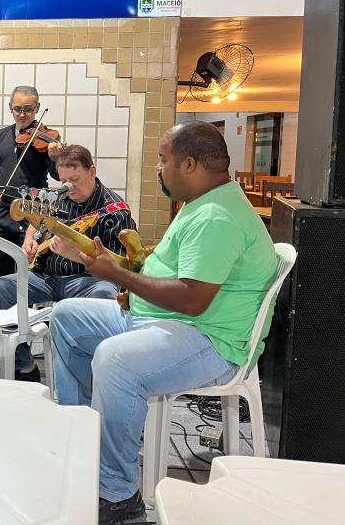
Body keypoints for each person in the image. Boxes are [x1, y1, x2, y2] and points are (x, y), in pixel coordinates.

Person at [48, 121, 277, 524]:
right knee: (66, 316)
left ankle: (117, 496)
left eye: (162, 159)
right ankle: (87, 448)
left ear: (188, 164)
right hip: (165, 319)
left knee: (115, 360)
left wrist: (115, 275)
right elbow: (174, 270)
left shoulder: (216, 217)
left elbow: (191, 298)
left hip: (211, 341)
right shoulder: (203, 203)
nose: (157, 167)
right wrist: (120, 261)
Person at [0, 144, 136, 382]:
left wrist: (77, 255)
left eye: (75, 179)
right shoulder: (59, 198)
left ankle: (92, 370)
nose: (68, 187)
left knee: (104, 295)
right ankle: (22, 365)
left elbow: (121, 265)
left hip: (89, 280)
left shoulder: (115, 210)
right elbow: (36, 223)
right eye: (64, 181)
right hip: (47, 277)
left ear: (92, 171)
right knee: (2, 287)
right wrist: (29, 242)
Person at [0, 85, 59, 280]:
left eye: (28, 109)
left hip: (34, 211)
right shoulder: (0, 136)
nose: (22, 114)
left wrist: (56, 158)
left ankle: (27, 311)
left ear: (37, 108)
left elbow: (57, 176)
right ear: (10, 107)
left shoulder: (46, 139)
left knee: (30, 272)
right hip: (3, 211)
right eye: (18, 109)